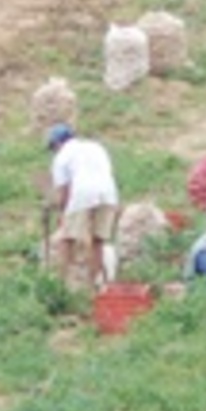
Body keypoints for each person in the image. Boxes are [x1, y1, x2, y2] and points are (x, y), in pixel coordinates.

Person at [46, 123, 120, 289]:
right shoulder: (96, 147)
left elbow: (64, 191)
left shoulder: (62, 157)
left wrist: (63, 215)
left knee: (67, 238)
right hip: (108, 193)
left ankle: (62, 283)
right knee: (98, 240)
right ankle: (93, 284)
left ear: (57, 143)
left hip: (83, 193)